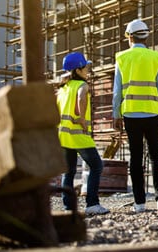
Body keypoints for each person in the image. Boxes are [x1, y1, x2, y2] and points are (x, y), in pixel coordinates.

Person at [113, 19, 158, 213]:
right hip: (153, 113)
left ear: (130, 36)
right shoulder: (155, 57)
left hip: (131, 114)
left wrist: (116, 114)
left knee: (136, 158)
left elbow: (116, 92)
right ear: (145, 36)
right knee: (156, 157)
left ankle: (139, 203)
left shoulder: (121, 57)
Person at [57, 51, 109, 215]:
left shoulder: (63, 88)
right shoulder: (82, 86)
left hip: (63, 136)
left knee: (69, 171)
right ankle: (92, 204)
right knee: (96, 166)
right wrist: (80, 117)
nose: (88, 70)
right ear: (78, 70)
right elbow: (81, 98)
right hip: (79, 135)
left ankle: (68, 208)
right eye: (86, 67)